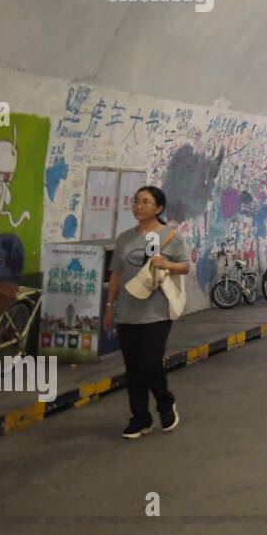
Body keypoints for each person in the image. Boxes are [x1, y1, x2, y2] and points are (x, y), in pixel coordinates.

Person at [103, 186, 190, 440]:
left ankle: (165, 402)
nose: (138, 206)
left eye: (145, 202)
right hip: (128, 311)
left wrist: (167, 263)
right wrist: (110, 307)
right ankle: (139, 418)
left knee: (150, 362)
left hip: (157, 311)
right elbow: (116, 273)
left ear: (158, 208)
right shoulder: (124, 239)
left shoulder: (170, 236)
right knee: (133, 368)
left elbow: (184, 267)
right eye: (136, 201)